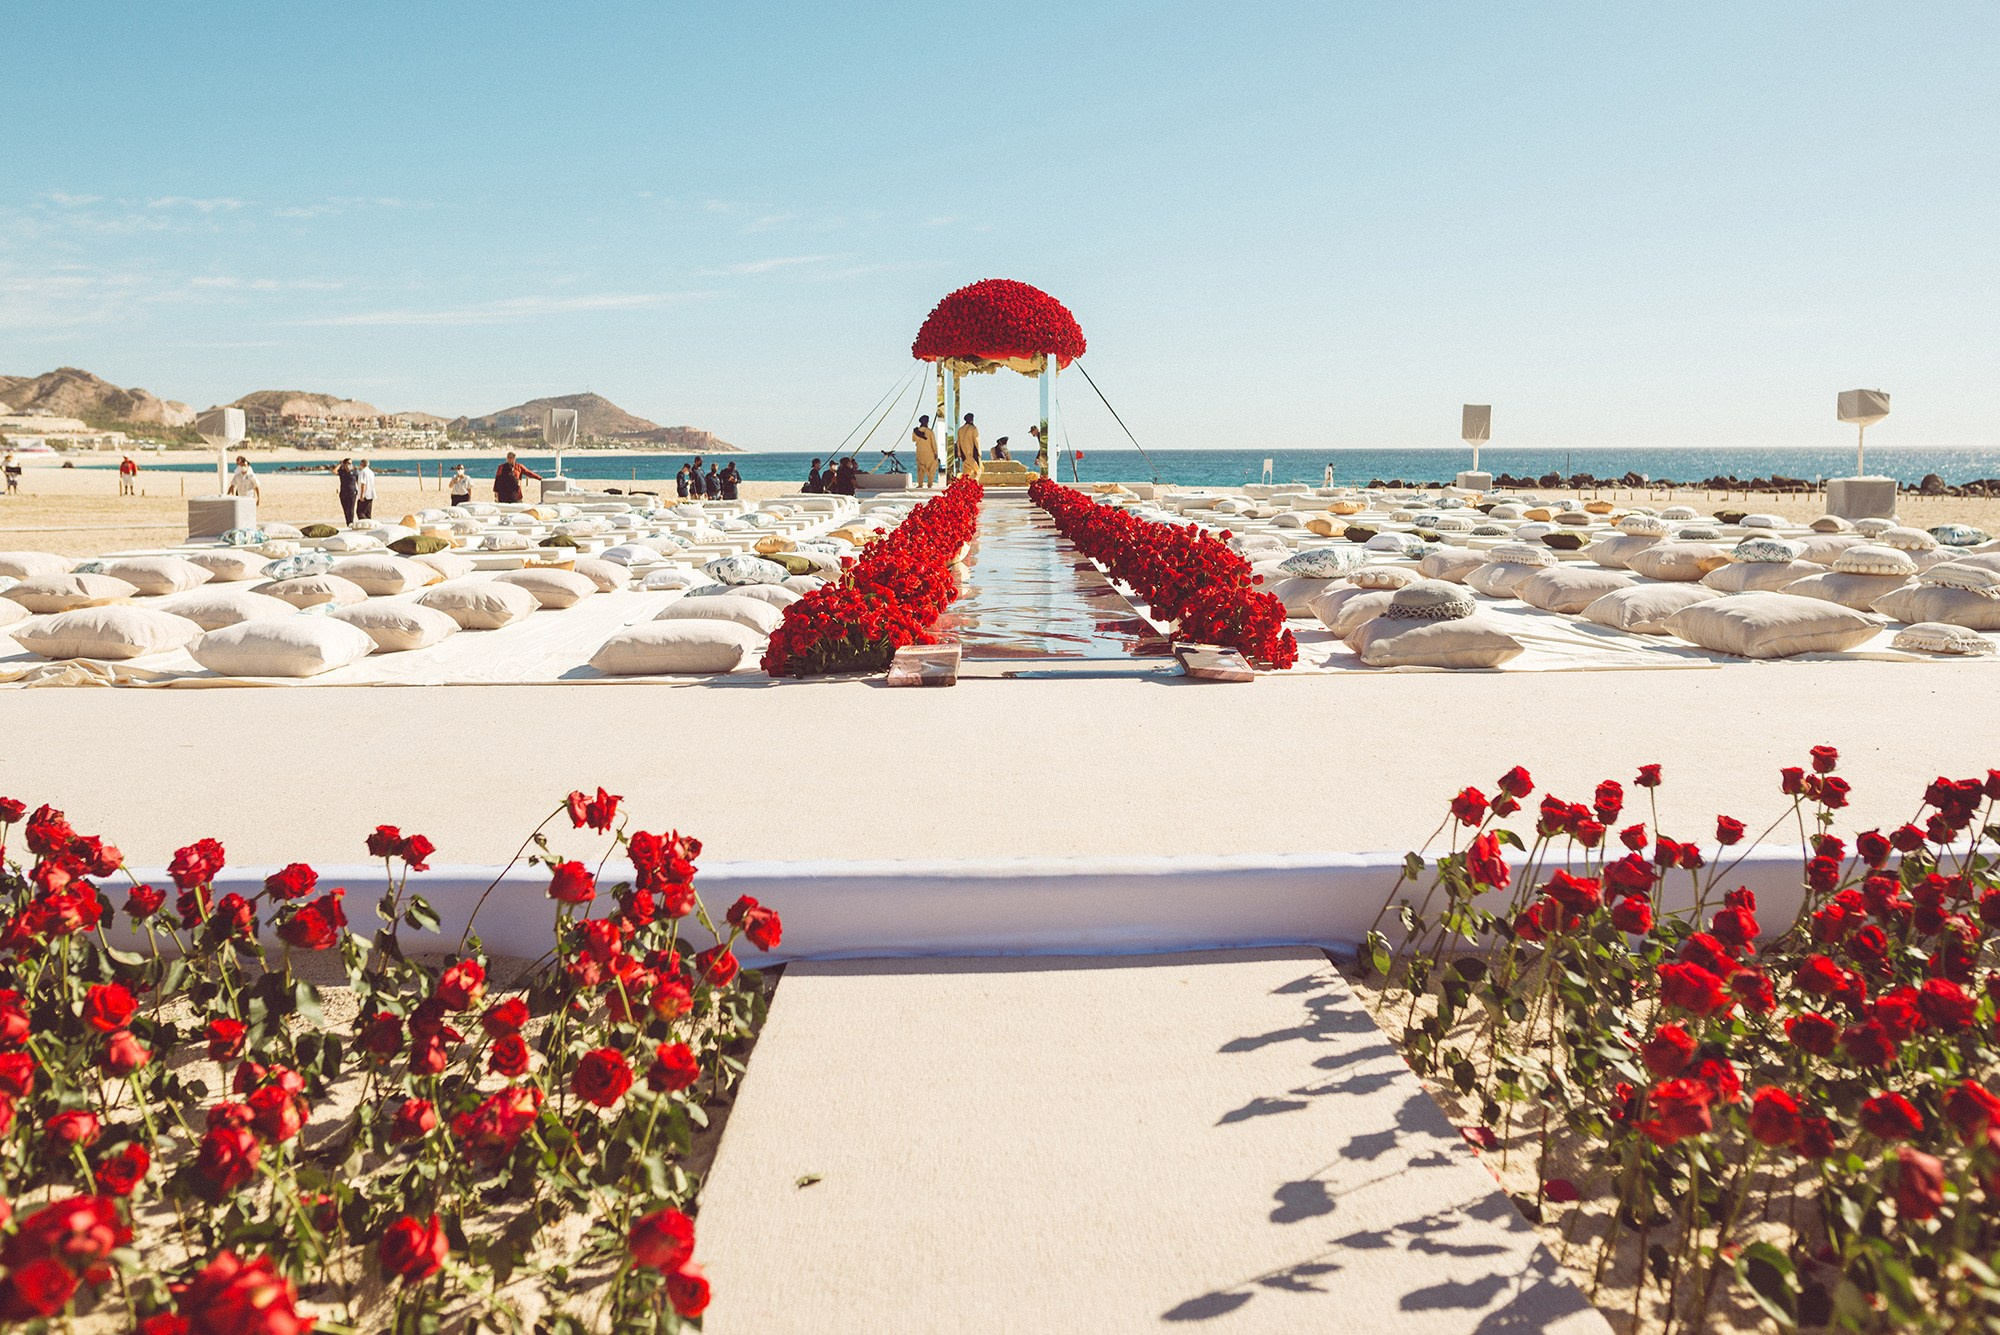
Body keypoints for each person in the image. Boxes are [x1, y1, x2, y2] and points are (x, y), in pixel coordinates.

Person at [912, 416, 939, 487]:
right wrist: (935, 452)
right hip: (929, 453)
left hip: (920, 452)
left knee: (920, 469)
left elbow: (913, 440)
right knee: (931, 469)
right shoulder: (930, 432)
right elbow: (933, 443)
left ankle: (920, 484)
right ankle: (930, 484)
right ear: (927, 422)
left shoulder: (915, 431)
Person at [336, 458, 359, 524]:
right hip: (343, 493)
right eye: (348, 463)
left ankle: (351, 523)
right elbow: (334, 471)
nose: (350, 465)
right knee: (345, 510)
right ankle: (348, 523)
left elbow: (358, 482)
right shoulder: (342, 472)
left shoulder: (354, 472)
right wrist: (340, 464)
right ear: (345, 464)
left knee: (351, 509)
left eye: (351, 463)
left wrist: (360, 491)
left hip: (352, 493)